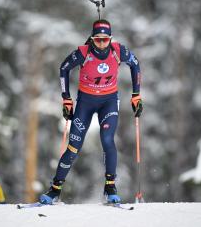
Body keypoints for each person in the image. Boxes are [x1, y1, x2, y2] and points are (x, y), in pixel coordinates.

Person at [40, 19, 143, 204]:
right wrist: (66, 98)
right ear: (92, 39)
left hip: (109, 102)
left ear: (110, 38)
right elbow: (64, 68)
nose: (102, 43)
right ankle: (55, 189)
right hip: (85, 103)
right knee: (73, 147)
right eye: (98, 39)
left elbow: (135, 65)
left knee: (107, 139)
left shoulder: (118, 50)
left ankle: (110, 186)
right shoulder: (83, 53)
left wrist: (136, 95)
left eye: (105, 39)